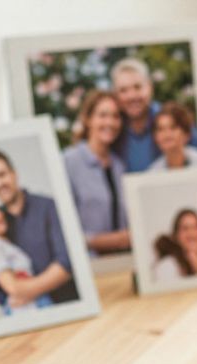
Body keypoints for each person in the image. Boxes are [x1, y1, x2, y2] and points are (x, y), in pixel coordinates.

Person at [0, 149, 77, 305]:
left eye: (2, 175)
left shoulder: (48, 207)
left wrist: (24, 291)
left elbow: (66, 263)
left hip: (65, 303)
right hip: (26, 312)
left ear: (14, 174)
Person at [62, 90, 130, 256]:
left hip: (123, 262)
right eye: (102, 115)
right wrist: (111, 241)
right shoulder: (69, 162)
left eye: (115, 116)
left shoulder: (119, 166)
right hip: (88, 263)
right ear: (88, 120)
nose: (110, 122)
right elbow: (62, 229)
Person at [110, 57, 164, 173]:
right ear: (115, 95)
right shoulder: (111, 129)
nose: (132, 96)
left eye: (137, 87)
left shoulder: (171, 119)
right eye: (123, 90)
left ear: (150, 87)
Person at [152, 208, 197, 281]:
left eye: (196, 227)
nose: (191, 233)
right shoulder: (166, 267)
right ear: (176, 236)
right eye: (185, 229)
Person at [147, 103, 197, 171]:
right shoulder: (153, 172)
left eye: (173, 128)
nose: (166, 134)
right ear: (155, 137)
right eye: (160, 129)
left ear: (186, 134)